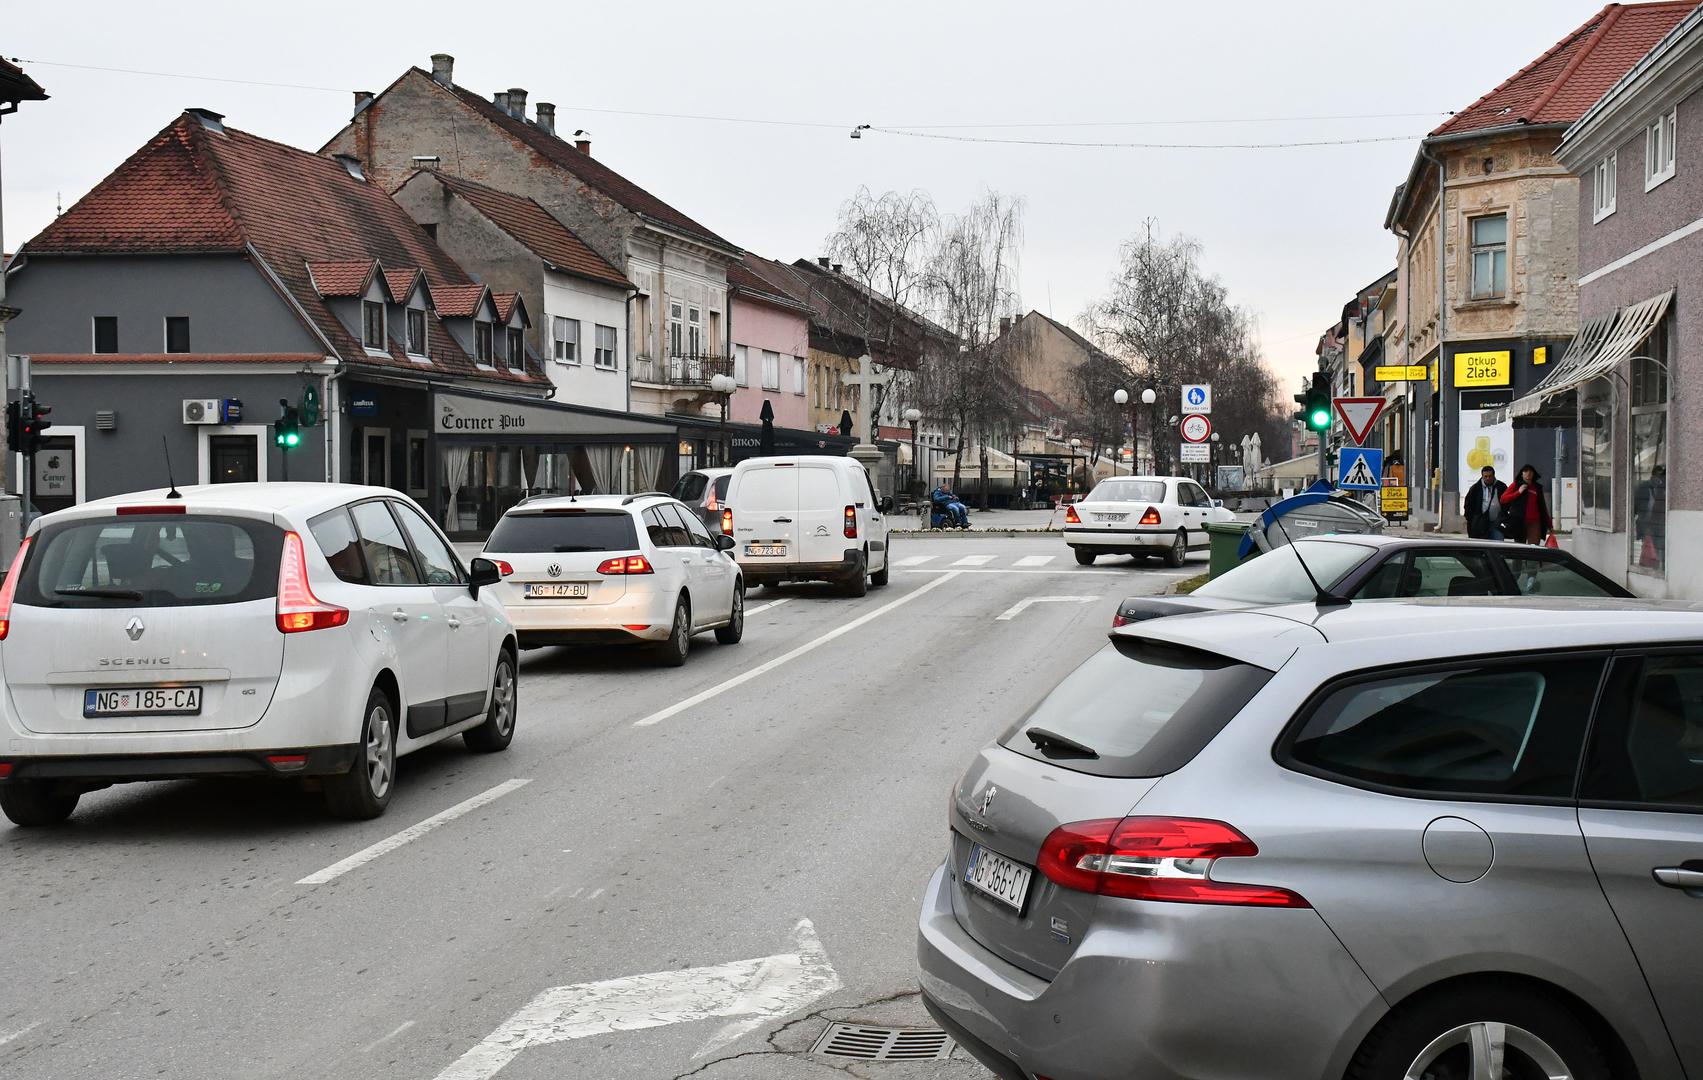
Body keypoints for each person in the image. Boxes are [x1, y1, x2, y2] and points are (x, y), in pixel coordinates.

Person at [1499, 464, 1553, 545]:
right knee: (1520, 546)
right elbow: (1503, 499)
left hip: (1535, 521)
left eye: (1530, 471)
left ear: (1534, 474)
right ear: (1522, 474)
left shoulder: (1537, 487)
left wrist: (1549, 524)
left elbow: (1542, 507)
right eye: (1525, 471)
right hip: (1519, 521)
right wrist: (1518, 492)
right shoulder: (1516, 485)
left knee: (1534, 546)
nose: (1528, 473)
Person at [1463, 465, 1508, 541]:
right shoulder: (1475, 488)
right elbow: (1468, 505)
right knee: (1480, 546)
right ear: (1482, 476)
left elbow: (1507, 502)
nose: (1488, 478)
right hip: (1480, 524)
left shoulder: (1501, 486)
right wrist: (1471, 520)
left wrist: (1503, 517)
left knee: (1498, 544)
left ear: (1494, 475)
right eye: (1485, 476)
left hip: (1496, 523)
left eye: (1490, 476)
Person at [1635, 465, 1667, 568]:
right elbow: (1636, 506)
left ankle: (1655, 566)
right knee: (1648, 548)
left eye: (1661, 477)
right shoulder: (1644, 487)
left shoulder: (1661, 489)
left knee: (1656, 549)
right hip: (1646, 524)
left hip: (1657, 525)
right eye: (1658, 476)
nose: (1660, 479)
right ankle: (1648, 567)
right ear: (1653, 476)